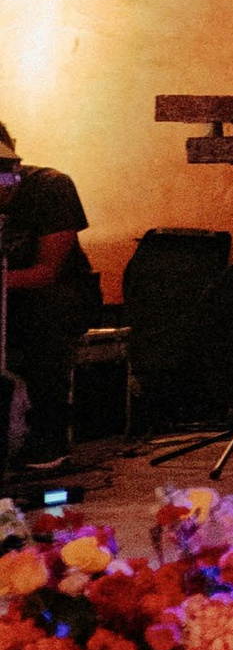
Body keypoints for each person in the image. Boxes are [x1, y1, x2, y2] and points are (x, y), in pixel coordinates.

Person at [0, 122, 103, 469]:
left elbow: (48, 271)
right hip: (10, 296)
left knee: (43, 315)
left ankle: (48, 437)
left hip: (59, 294)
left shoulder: (50, 187)